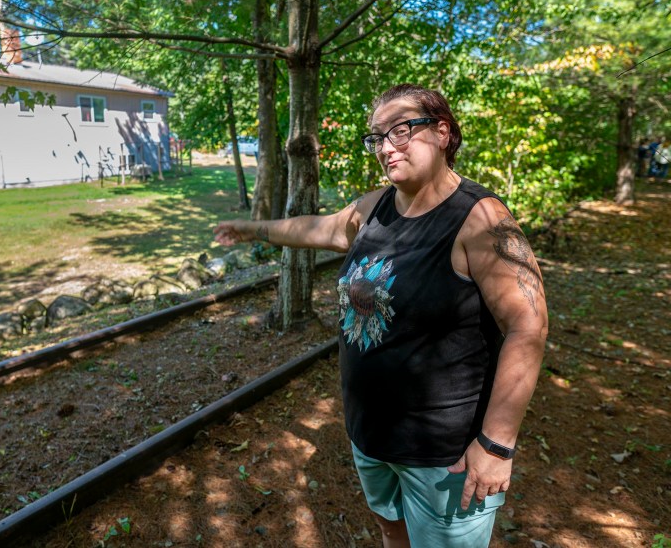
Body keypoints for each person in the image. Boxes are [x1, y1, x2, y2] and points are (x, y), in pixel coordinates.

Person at [214, 83, 548, 548]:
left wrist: (496, 443)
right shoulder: (374, 208)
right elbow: (316, 228)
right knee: (392, 531)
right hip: (370, 435)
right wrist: (250, 228)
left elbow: (527, 327)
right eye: (377, 137)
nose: (385, 147)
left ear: (442, 133)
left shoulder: (481, 220)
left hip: (442, 454)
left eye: (401, 130)